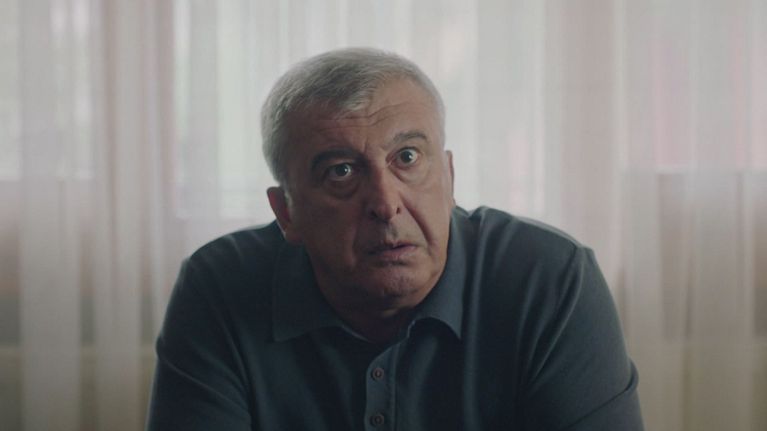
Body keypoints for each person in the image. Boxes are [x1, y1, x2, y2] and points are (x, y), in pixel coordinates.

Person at [146, 47, 644, 430]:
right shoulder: (219, 289)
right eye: (341, 171)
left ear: (448, 176)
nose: (385, 204)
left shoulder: (550, 281)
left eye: (406, 158)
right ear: (286, 212)